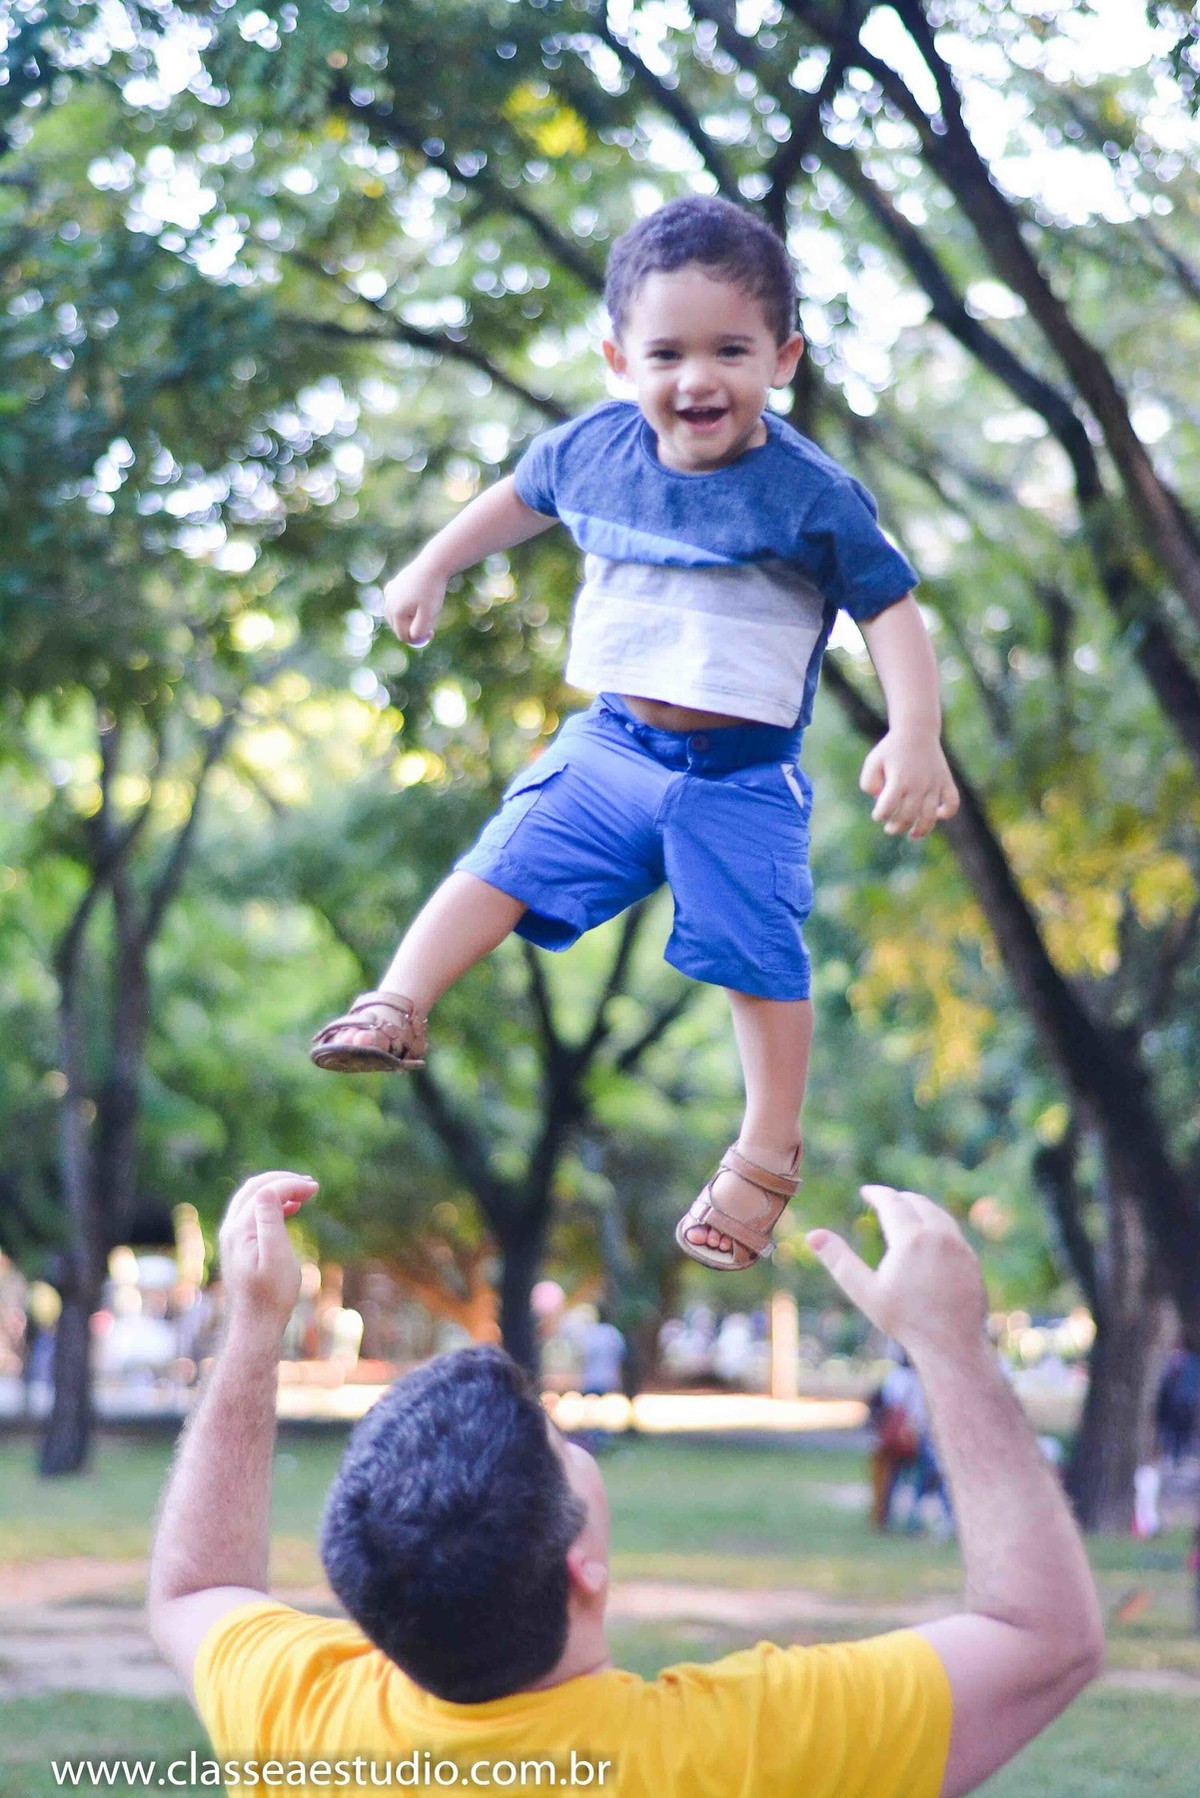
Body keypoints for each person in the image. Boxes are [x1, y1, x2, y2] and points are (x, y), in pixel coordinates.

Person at [310, 194, 960, 1271]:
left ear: (783, 357)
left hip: (740, 774)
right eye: (666, 352)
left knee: (757, 954)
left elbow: (889, 606)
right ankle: (398, 1001)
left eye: (731, 350)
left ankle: (765, 1147)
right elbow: (517, 496)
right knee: (505, 854)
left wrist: (917, 731)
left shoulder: (811, 493)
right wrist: (431, 561)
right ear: (618, 356)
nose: (696, 378)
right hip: (609, 747)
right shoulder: (594, 450)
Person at [148, 1171, 1103, 1798]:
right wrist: (949, 1345)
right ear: (583, 1569)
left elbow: (195, 1589)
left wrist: (253, 1327)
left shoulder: (304, 1723)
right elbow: (1043, 1640)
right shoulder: (731, 1760)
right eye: (560, 1442)